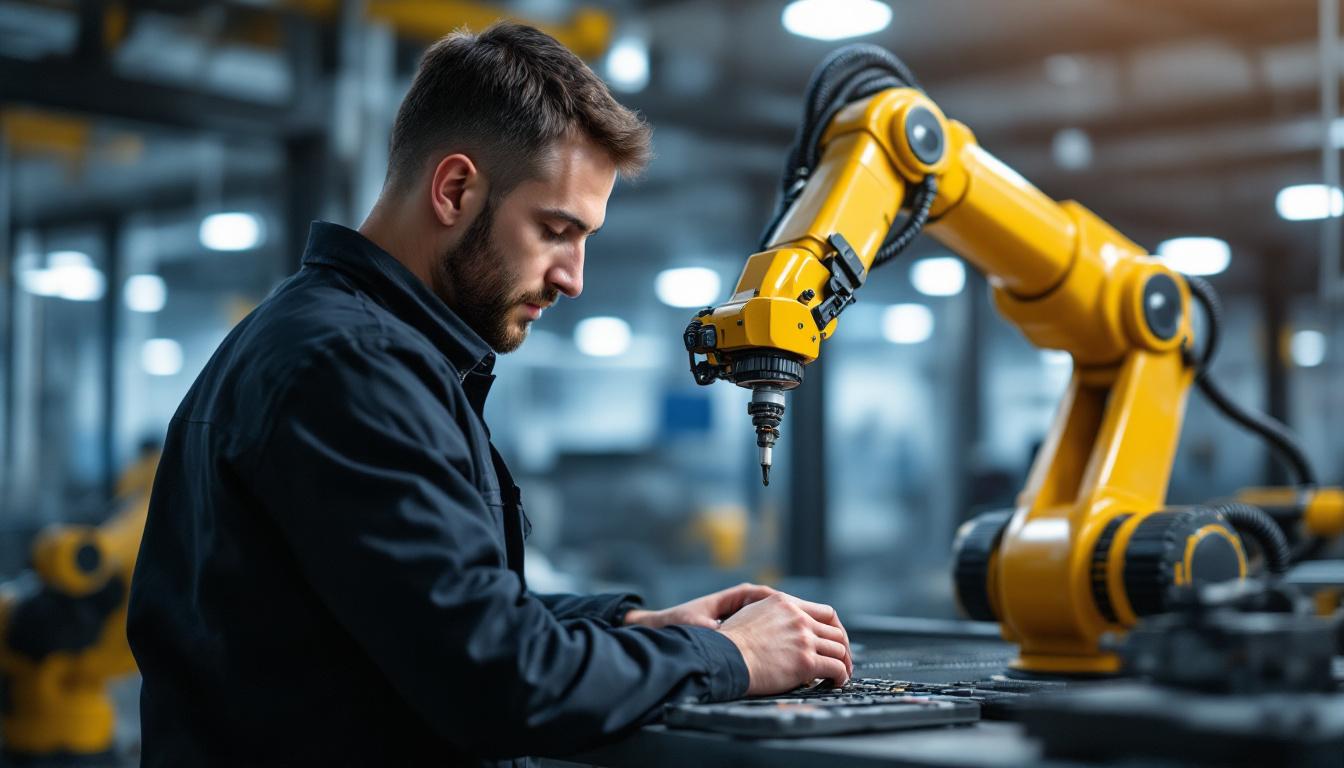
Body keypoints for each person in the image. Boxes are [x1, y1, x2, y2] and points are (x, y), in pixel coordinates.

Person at [128, 21, 851, 767]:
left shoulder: (343, 344)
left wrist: (641, 625)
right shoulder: (353, 364)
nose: (574, 277)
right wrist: (726, 658)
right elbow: (498, 679)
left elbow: (437, 615)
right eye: (555, 229)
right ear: (456, 189)